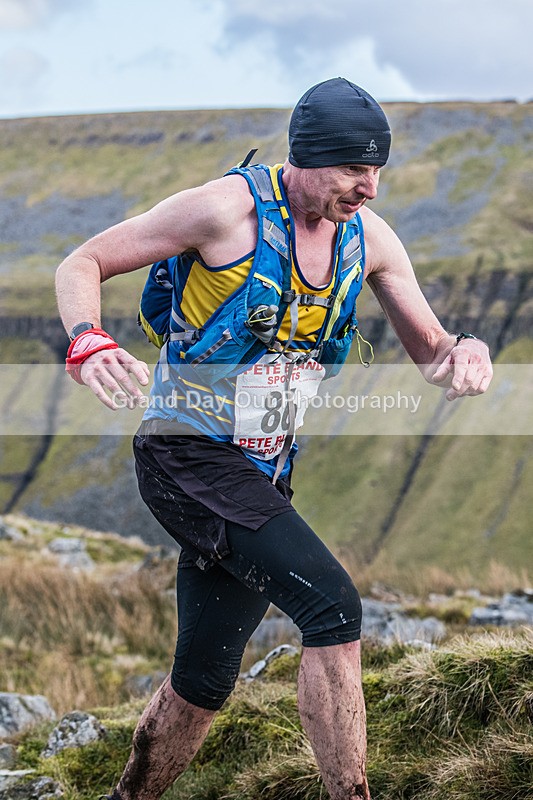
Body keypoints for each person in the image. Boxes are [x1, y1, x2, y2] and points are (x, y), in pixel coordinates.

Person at [55, 78, 493, 800]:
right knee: (332, 608)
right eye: (355, 169)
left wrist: (466, 351)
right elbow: (82, 262)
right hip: (184, 454)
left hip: (262, 469)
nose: (369, 188)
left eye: (377, 169)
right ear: (309, 157)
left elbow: (434, 352)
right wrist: (88, 341)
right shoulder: (223, 211)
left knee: (203, 679)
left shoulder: (369, 238)